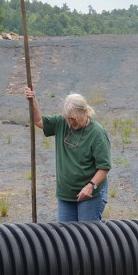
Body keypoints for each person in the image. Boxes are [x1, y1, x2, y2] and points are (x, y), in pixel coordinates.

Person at [24, 86, 111, 222]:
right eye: (68, 118)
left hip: (90, 195)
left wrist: (91, 186)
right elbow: (39, 121)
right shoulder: (62, 123)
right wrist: (32, 99)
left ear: (85, 112)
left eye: (74, 118)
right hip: (66, 195)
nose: (71, 122)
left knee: (87, 236)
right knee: (66, 237)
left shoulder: (97, 134)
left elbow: (104, 167)